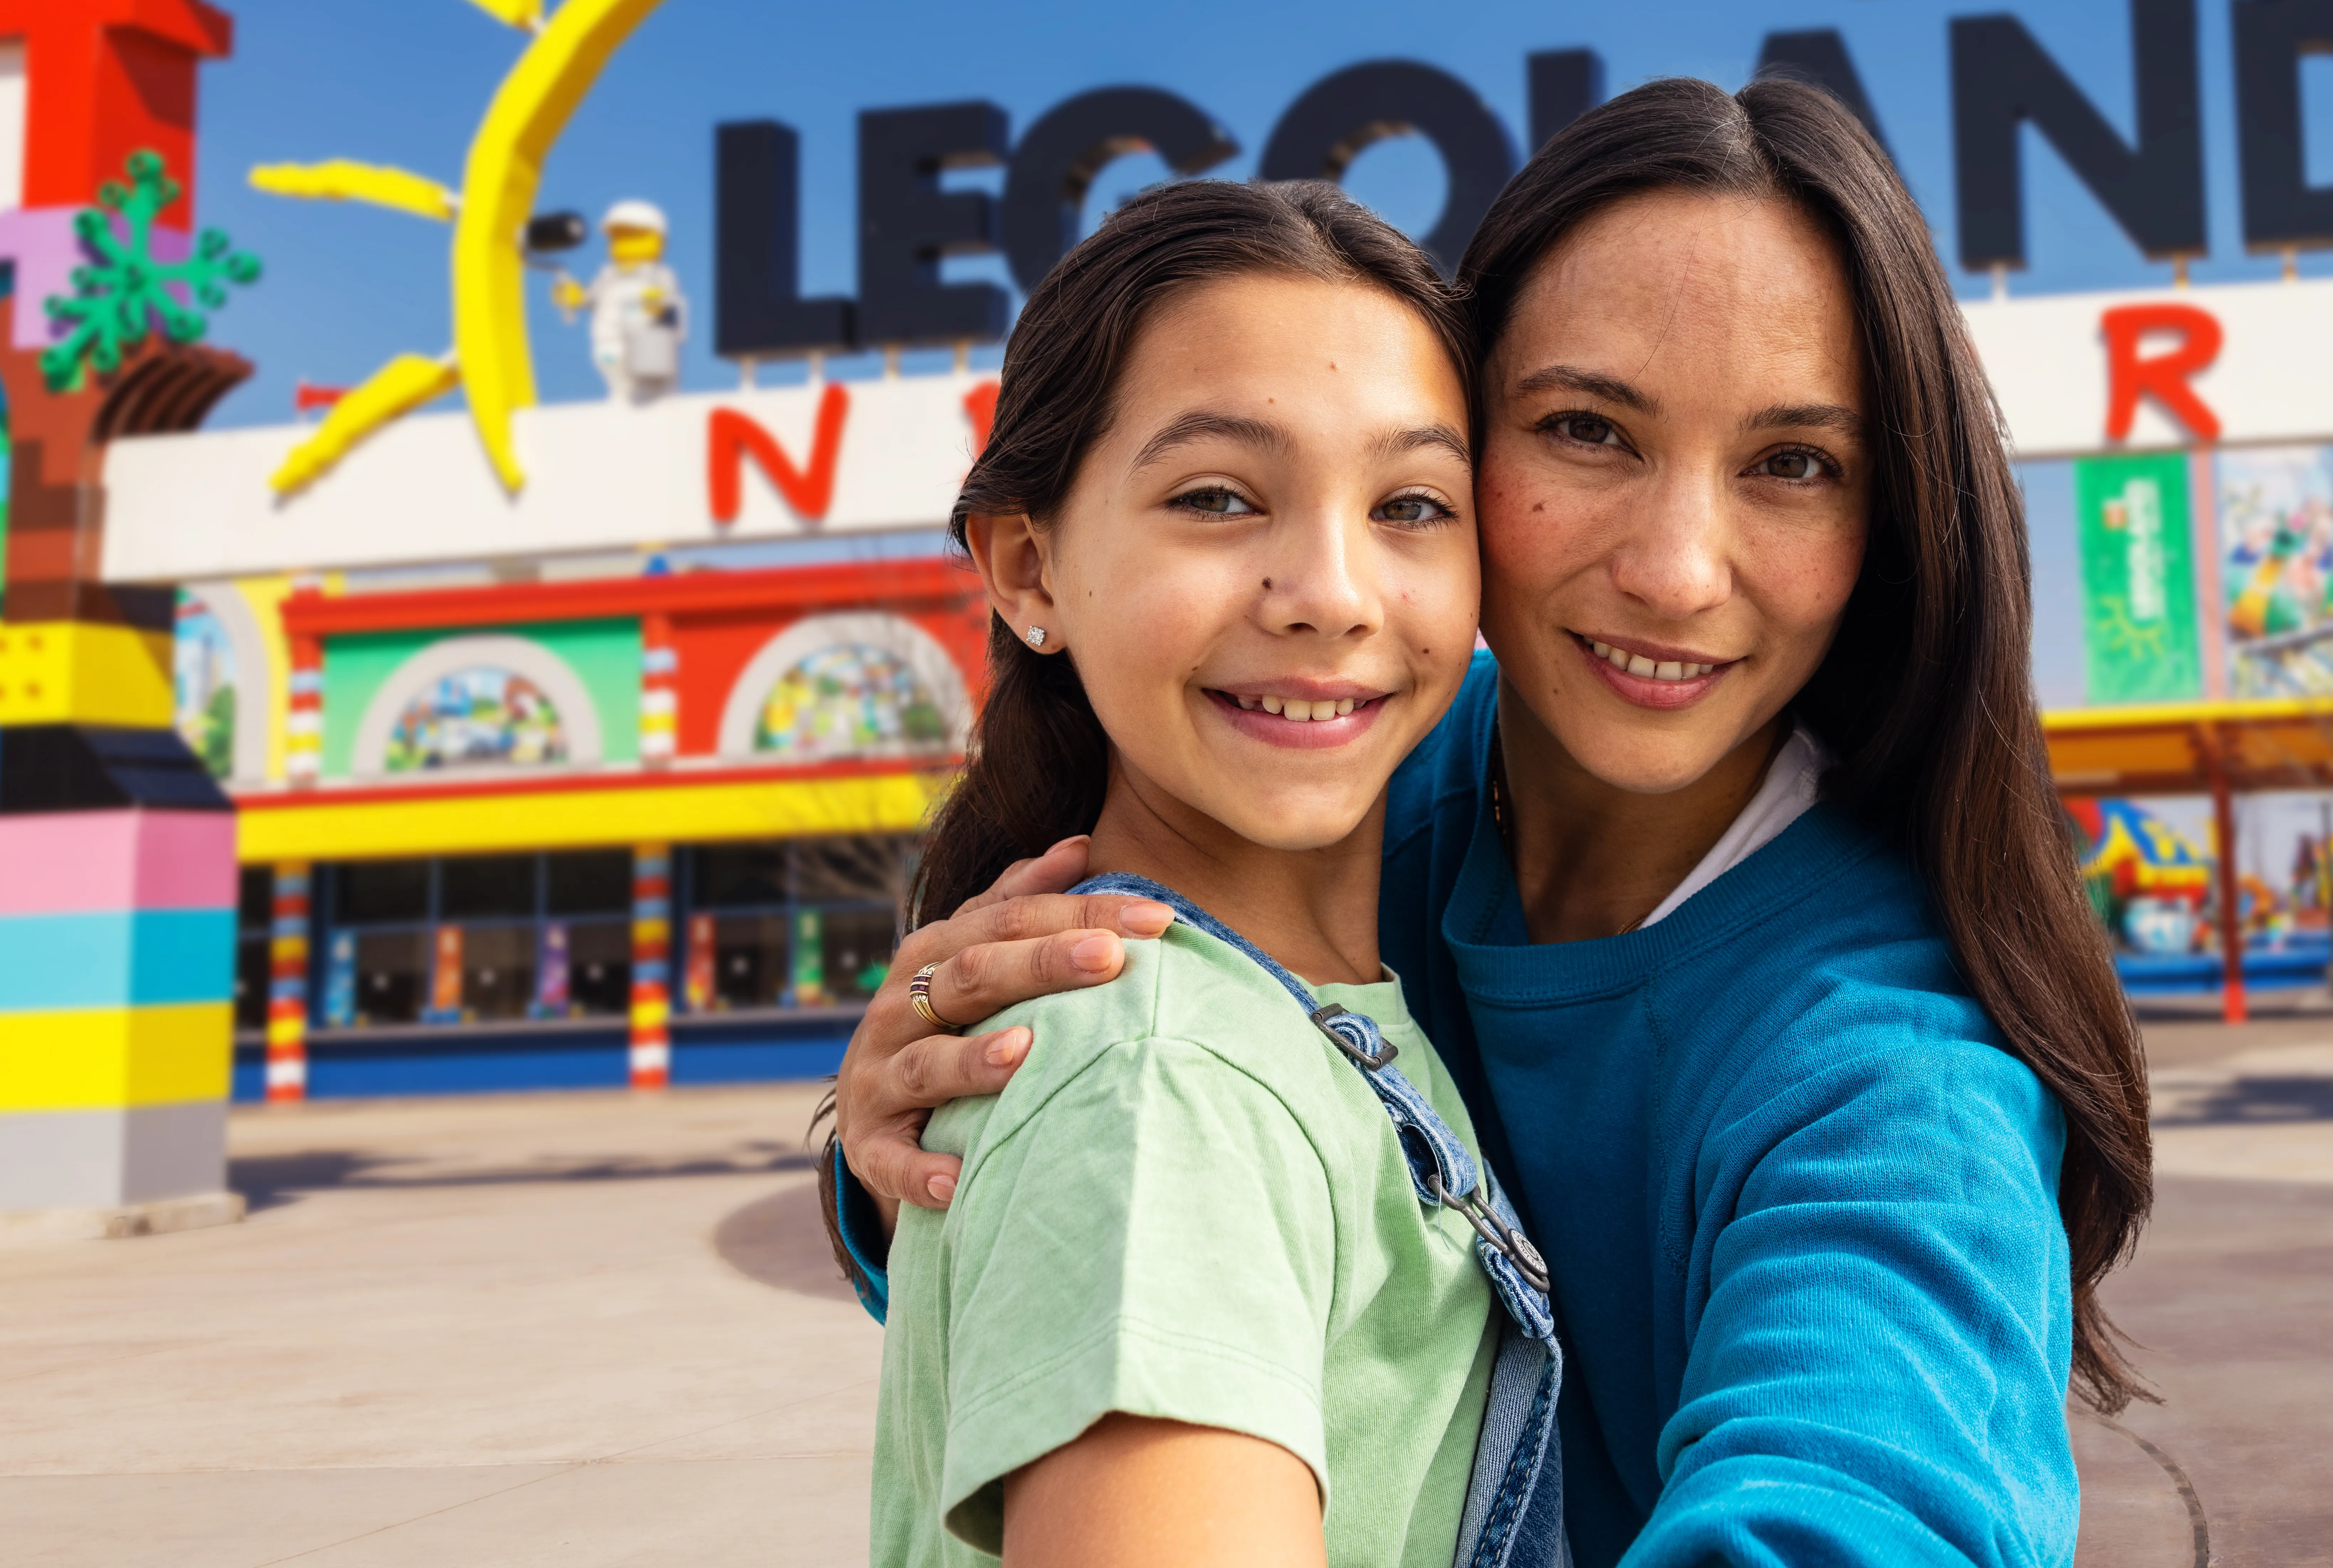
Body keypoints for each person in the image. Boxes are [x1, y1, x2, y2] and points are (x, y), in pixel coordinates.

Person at [831, 77, 2154, 1566]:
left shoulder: (1893, 1073)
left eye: (1793, 465)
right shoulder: (1322, 786)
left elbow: (1859, 1512)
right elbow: (1171, 1246)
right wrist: (941, 1137)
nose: (1672, 567)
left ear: (1892, 524)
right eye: (1587, 428)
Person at [870, 173, 1557, 1568]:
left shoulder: (1293, 1019)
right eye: (1218, 496)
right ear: (1028, 567)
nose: (1332, 589)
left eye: (1412, 505)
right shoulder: (1165, 1085)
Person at [553, 197, 685, 403]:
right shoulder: (609, 275)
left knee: (646, 386)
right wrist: (575, 296)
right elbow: (592, 296)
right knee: (615, 374)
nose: (623, 243)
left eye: (631, 235)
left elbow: (671, 308)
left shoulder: (658, 275)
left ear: (657, 240)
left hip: (645, 348)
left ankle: (647, 400)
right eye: (618, 238)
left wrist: (657, 306)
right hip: (607, 345)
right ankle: (620, 398)